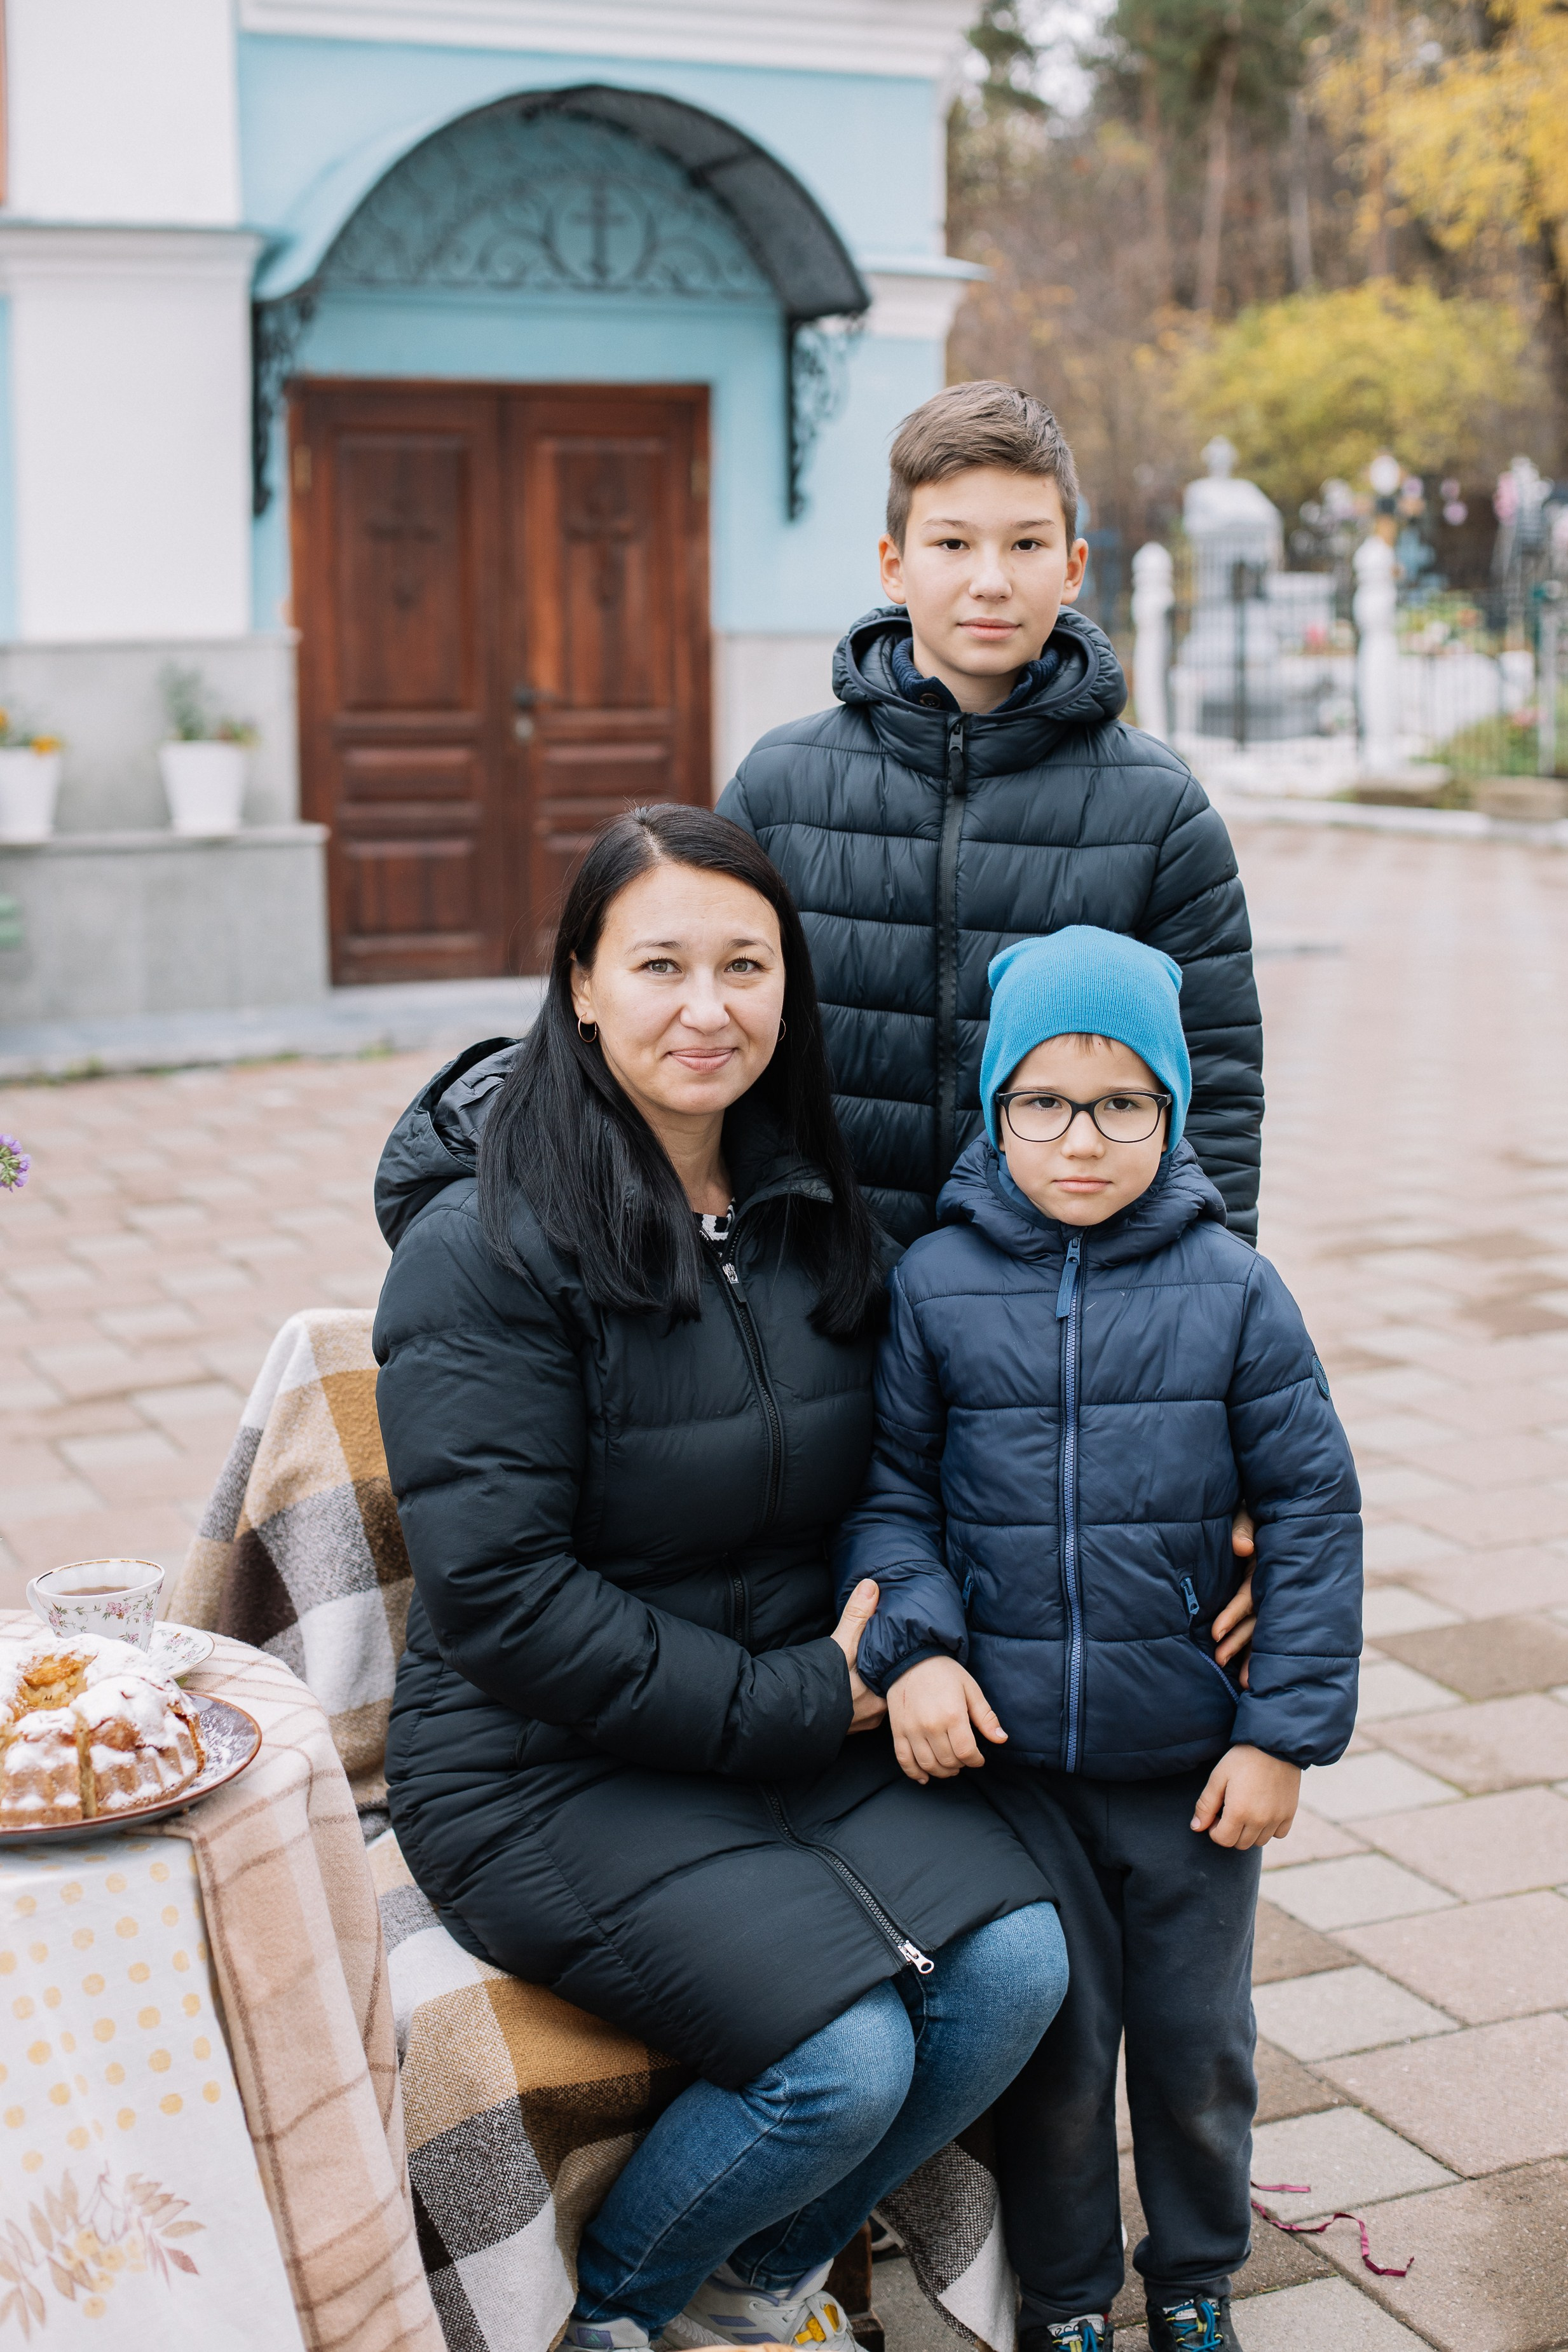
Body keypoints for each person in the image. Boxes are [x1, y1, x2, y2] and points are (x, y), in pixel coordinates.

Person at [372, 804, 1068, 2352]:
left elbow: (917, 1466)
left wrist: (1227, 1515)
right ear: (579, 984)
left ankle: (750, 2284)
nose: (709, 1006)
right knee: (844, 2061)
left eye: (746, 964)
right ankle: (618, 2311)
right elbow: (500, 1597)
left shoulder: (808, 1206)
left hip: (780, 1731)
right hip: (542, 1764)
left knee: (1017, 1961)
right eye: (662, 964)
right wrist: (804, 1695)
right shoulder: (482, 1245)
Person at [835, 926, 1362, 2352]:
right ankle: (1064, 2297)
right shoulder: (936, 1286)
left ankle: (1193, 2276)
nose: (1081, 1138)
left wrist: (1282, 1734)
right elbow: (890, 1500)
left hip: (1191, 1771)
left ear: (1173, 1109)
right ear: (994, 1107)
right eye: (1043, 1102)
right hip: (1016, 1775)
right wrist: (917, 1650)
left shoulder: (1235, 1292)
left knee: (1194, 2053)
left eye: (1123, 1102)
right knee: (1055, 2058)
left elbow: (1313, 1510)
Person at [719, 378, 1263, 1250]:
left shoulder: (1160, 810)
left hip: (1059, 1317)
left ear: (1074, 566)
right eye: (952, 542)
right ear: (894, 564)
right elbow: (712, 1047)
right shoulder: (777, 788)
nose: (990, 579)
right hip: (820, 1299)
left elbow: (1219, 1087)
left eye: (1026, 544)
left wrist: (1193, 1302)